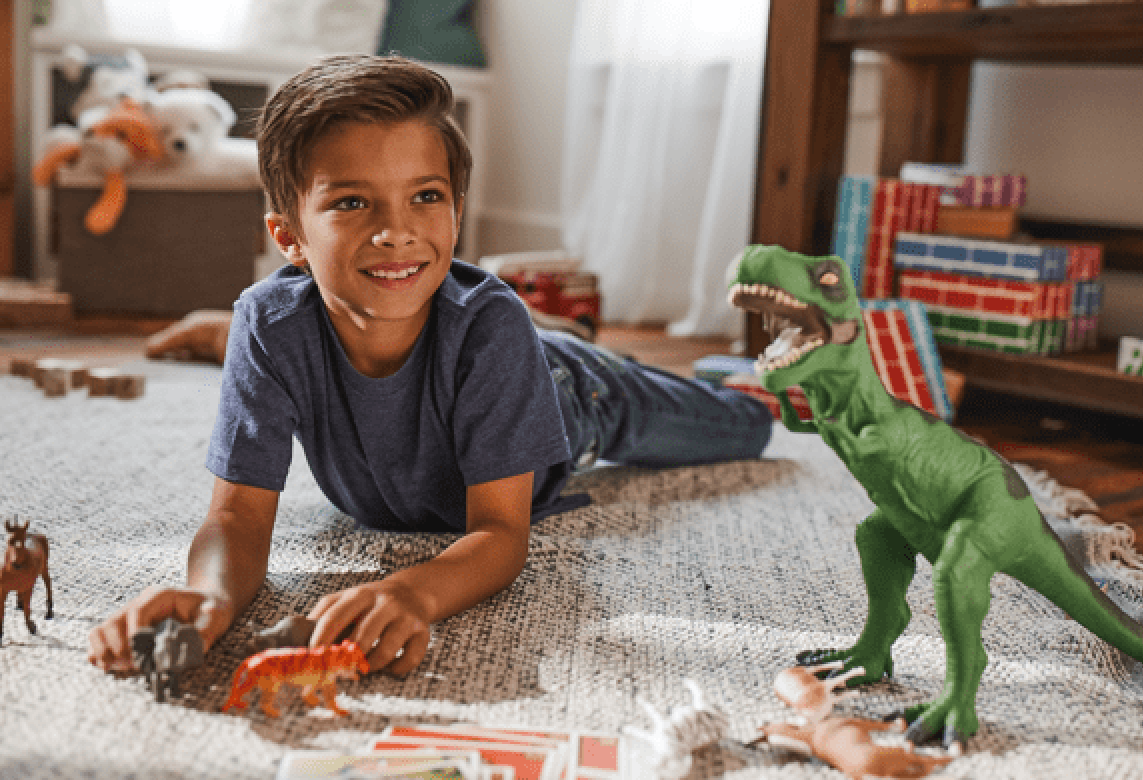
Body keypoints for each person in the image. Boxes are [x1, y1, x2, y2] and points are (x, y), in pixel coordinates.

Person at [87, 54, 773, 678]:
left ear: (457, 210)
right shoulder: (269, 323)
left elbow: (500, 534)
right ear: (288, 235)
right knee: (510, 336)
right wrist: (206, 596)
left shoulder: (490, 325)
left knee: (745, 427)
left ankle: (708, 375)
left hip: (581, 399)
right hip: (493, 350)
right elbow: (236, 519)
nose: (397, 231)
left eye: (426, 197)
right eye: (352, 203)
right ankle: (563, 337)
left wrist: (409, 590)